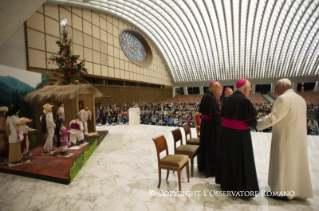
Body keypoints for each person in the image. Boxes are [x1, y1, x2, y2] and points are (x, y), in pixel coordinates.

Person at [256, 78, 313, 199]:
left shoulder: (283, 99)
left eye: (276, 87)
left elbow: (273, 118)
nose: (275, 90)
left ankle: (281, 192)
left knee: (283, 163)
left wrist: (257, 124)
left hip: (285, 138)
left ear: (283, 86)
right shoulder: (300, 99)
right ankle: (295, 190)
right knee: (294, 164)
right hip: (298, 137)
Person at [216, 79, 259, 196]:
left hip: (226, 134)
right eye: (250, 87)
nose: (250, 90)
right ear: (245, 88)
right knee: (240, 160)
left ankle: (227, 185)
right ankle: (241, 188)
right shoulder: (244, 101)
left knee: (228, 159)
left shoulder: (228, 99)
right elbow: (252, 122)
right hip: (239, 136)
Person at [198, 80, 222, 177]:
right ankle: (211, 170)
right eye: (217, 87)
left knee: (209, 146)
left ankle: (207, 168)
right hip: (210, 127)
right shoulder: (209, 97)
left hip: (208, 125)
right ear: (212, 87)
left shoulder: (210, 96)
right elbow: (213, 115)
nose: (219, 89)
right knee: (211, 147)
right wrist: (221, 122)